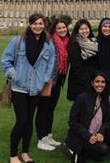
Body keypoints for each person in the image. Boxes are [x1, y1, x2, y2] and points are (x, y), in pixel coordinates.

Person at [1, 13, 55, 163]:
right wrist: (14, 74)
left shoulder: (48, 44)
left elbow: (51, 64)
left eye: (40, 23)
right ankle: (13, 155)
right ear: (30, 25)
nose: (38, 26)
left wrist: (43, 80)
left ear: (44, 25)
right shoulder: (18, 41)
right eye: (35, 23)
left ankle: (25, 153)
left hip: (35, 88)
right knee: (21, 120)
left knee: (29, 121)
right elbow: (6, 60)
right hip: (19, 87)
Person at [65, 72, 110, 163]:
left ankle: (91, 149)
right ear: (92, 83)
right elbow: (72, 122)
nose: (100, 84)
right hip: (82, 135)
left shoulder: (106, 100)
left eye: (103, 82)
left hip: (96, 134)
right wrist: (88, 136)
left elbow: (108, 121)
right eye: (97, 81)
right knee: (103, 149)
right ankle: (78, 150)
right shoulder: (81, 98)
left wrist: (101, 133)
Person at [35, 18, 70, 151]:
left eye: (64, 27)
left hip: (58, 80)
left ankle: (48, 135)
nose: (62, 30)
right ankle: (41, 138)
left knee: (50, 109)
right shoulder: (49, 41)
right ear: (54, 30)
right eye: (59, 28)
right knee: (43, 109)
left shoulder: (66, 42)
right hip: (47, 80)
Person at [67, 19, 98, 101]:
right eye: (82, 29)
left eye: (86, 28)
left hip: (91, 80)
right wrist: (87, 82)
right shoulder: (75, 44)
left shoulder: (93, 42)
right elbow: (76, 67)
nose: (84, 31)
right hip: (80, 83)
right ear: (77, 31)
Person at [97, 17, 110, 105]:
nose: (107, 28)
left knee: (109, 104)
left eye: (109, 26)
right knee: (97, 105)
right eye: (104, 26)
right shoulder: (95, 41)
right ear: (101, 28)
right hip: (98, 78)